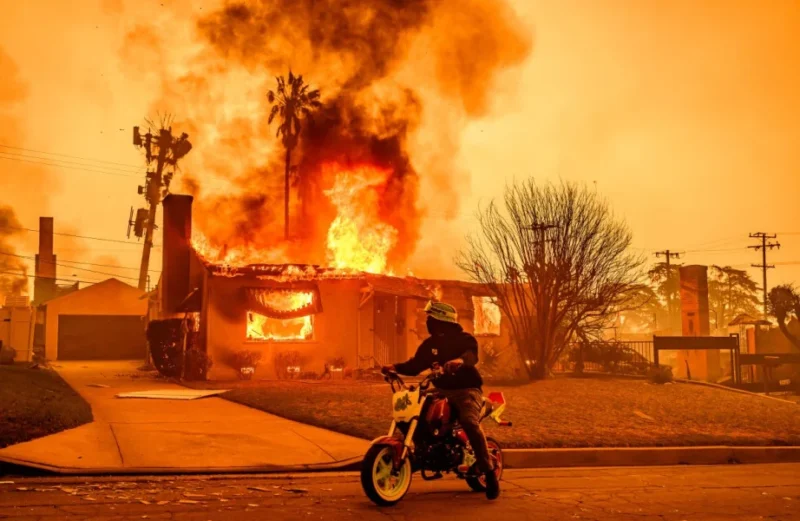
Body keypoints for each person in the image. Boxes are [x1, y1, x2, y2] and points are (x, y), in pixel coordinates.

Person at [382, 300, 500, 500]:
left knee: (470, 422)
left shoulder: (465, 339)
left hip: (466, 390)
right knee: (415, 415)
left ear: (441, 320)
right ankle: (423, 452)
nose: (427, 322)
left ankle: (489, 472)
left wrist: (460, 361)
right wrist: (394, 367)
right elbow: (415, 365)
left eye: (431, 318)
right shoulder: (430, 345)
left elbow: (471, 356)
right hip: (441, 390)